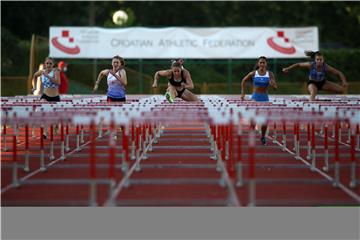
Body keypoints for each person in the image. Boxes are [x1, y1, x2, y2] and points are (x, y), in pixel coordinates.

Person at [282, 50, 348, 101]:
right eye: (317, 60)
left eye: (321, 60)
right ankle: (311, 108)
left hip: (323, 83)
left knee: (341, 90)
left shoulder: (326, 66)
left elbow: (339, 73)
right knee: (313, 93)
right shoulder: (310, 65)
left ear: (323, 60)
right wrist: (287, 68)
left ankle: (335, 103)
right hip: (312, 83)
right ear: (315, 60)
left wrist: (344, 81)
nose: (319, 61)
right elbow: (298, 64)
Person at [241, 56, 278, 145]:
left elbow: (276, 88)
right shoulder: (254, 73)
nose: (262, 64)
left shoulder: (270, 74)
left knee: (265, 121)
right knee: (253, 120)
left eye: (263, 62)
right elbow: (243, 81)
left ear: (266, 64)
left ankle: (263, 137)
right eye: (260, 62)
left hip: (265, 98)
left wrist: (273, 85)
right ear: (258, 64)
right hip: (255, 97)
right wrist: (242, 93)